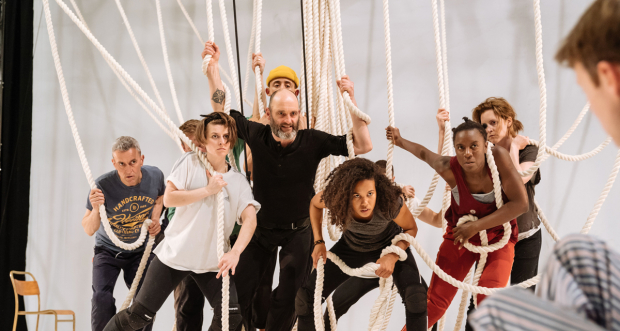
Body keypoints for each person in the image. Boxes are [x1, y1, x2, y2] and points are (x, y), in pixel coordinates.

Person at [468, 1, 620, 329]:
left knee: (525, 296)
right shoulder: (483, 155)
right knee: (478, 304)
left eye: (493, 123)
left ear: (508, 121)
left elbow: (517, 184)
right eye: (484, 126)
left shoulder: (529, 149)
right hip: (493, 238)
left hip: (524, 234)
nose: (489, 130)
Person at [205, 46, 373, 330]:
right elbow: (220, 111)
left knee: (289, 299)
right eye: (281, 114)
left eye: (293, 114)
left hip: (299, 231)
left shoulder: (312, 140)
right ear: (269, 113)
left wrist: (352, 101)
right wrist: (212, 71)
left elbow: (363, 144)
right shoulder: (256, 135)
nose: (288, 121)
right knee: (238, 294)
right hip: (260, 229)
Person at [102, 113, 260, 331]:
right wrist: (208, 190)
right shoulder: (189, 163)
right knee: (138, 317)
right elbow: (169, 198)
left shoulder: (238, 182)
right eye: (215, 136)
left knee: (230, 318)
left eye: (225, 136)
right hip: (175, 255)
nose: (222, 141)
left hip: (212, 262)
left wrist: (235, 253)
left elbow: (250, 219)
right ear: (203, 140)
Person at [386, 117, 529, 327]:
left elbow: (520, 204)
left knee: (489, 301)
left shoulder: (498, 158)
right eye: (460, 148)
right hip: (461, 235)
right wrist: (400, 141)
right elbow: (425, 154)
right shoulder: (450, 168)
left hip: (498, 238)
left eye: (474, 146)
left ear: (486, 145)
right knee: (434, 303)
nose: (467, 153)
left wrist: (476, 226)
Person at [295, 158, 427, 330]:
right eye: (357, 196)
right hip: (351, 247)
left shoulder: (389, 201)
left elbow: (410, 229)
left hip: (389, 244)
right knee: (305, 300)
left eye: (370, 194)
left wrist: (393, 255)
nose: (365, 203)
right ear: (346, 194)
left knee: (416, 297)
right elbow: (314, 204)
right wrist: (318, 241)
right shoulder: (336, 197)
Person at [83, 136, 164, 331]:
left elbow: (160, 197)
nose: (128, 170)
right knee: (101, 298)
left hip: (139, 250)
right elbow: (88, 229)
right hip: (108, 251)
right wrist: (95, 209)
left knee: (146, 300)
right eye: (122, 164)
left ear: (141, 159)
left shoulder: (155, 176)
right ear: (113, 163)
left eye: (133, 162)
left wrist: (155, 219)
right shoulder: (102, 185)